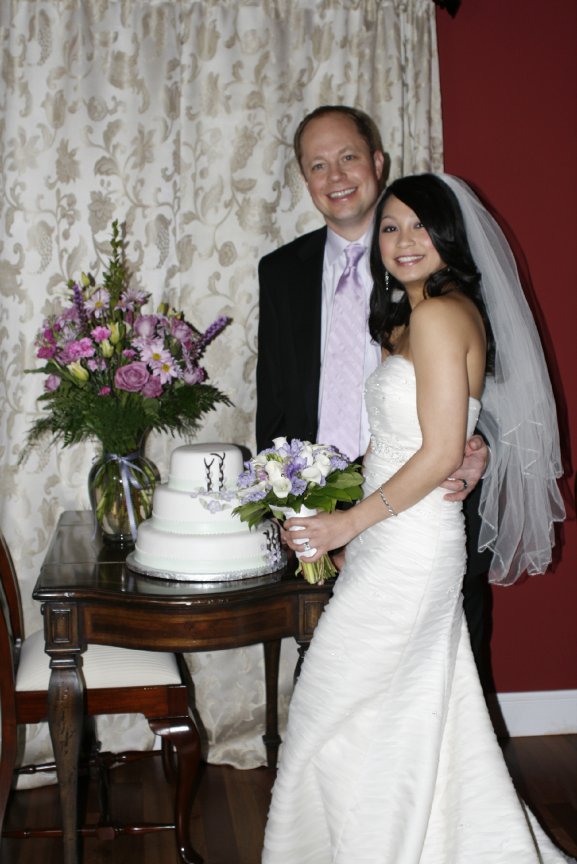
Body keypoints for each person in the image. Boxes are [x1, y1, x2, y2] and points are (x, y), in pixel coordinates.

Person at [261, 174, 567, 863]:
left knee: (331, 700)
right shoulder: (407, 319)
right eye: (391, 227)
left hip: (416, 544)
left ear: (448, 235)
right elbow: (406, 444)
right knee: (392, 707)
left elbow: (437, 453)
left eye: (420, 226)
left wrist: (346, 525)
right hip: (388, 537)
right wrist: (349, 522)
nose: (403, 240)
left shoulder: (439, 316)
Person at [256, 105, 493, 689]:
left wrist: (480, 444)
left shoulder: (443, 282)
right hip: (324, 510)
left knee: (440, 687)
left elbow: (496, 379)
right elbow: (275, 400)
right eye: (318, 165)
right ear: (304, 178)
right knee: (334, 681)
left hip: (427, 508)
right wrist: (285, 504)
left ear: (377, 162)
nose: (335, 176)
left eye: (348, 157)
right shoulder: (282, 272)